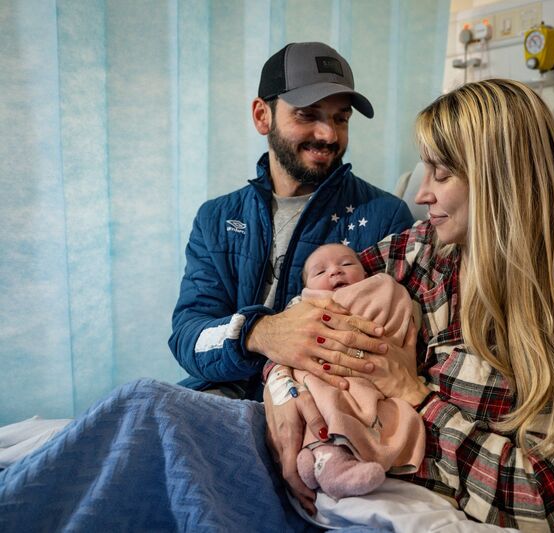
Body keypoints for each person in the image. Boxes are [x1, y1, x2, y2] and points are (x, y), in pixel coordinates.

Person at [265, 78, 554, 531]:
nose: (420, 194)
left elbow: (550, 498)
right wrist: (282, 390)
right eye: (423, 170)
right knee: (155, 411)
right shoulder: (418, 251)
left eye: (442, 174)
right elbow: (305, 311)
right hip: (325, 469)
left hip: (399, 503)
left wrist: (417, 398)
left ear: (499, 182)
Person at [168, 41, 415, 404]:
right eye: (307, 114)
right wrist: (261, 333)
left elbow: (398, 342)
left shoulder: (384, 217)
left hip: (327, 408)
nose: (328, 134)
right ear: (261, 116)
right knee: (136, 407)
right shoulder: (218, 219)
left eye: (340, 118)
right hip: (221, 400)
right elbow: (189, 337)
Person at [269, 243, 425, 499]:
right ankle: (330, 461)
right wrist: (279, 380)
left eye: (347, 264)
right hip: (322, 372)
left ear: (365, 273)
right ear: (306, 289)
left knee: (380, 409)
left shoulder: (381, 288)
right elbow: (285, 344)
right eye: (320, 272)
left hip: (378, 372)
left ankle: (319, 456)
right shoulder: (302, 308)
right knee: (327, 394)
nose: (335, 272)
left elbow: (400, 315)